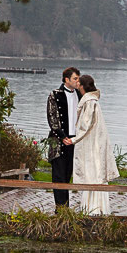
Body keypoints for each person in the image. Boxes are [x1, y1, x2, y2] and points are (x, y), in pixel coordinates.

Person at [63, 75, 119, 215]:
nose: (76, 84)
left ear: (82, 86)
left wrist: (74, 140)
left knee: (91, 174)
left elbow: (85, 125)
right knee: (95, 174)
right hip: (95, 142)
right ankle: (95, 206)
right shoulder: (93, 101)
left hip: (91, 144)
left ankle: (92, 208)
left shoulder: (89, 102)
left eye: (78, 82)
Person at [47, 67, 81, 209]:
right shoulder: (55, 95)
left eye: (78, 78)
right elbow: (52, 117)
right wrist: (62, 136)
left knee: (67, 174)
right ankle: (60, 208)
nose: (78, 81)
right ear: (67, 80)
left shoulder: (81, 95)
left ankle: (64, 207)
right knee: (59, 175)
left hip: (75, 140)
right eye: (75, 78)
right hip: (58, 139)